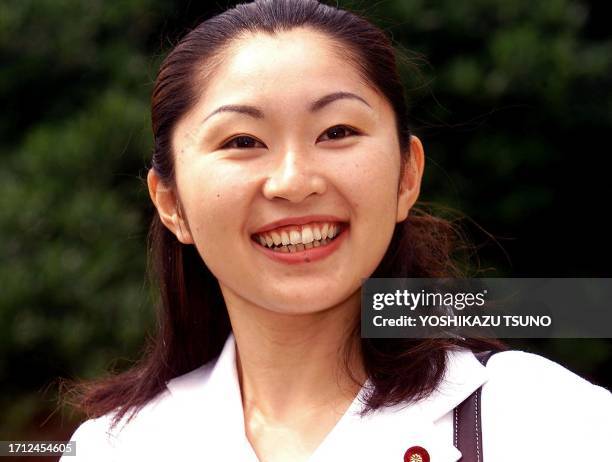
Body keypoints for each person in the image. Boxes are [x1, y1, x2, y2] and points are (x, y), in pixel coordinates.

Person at [62, 1, 612, 460]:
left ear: (407, 175)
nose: (294, 181)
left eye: (338, 131)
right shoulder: (114, 447)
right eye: (242, 141)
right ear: (170, 201)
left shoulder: (544, 421)